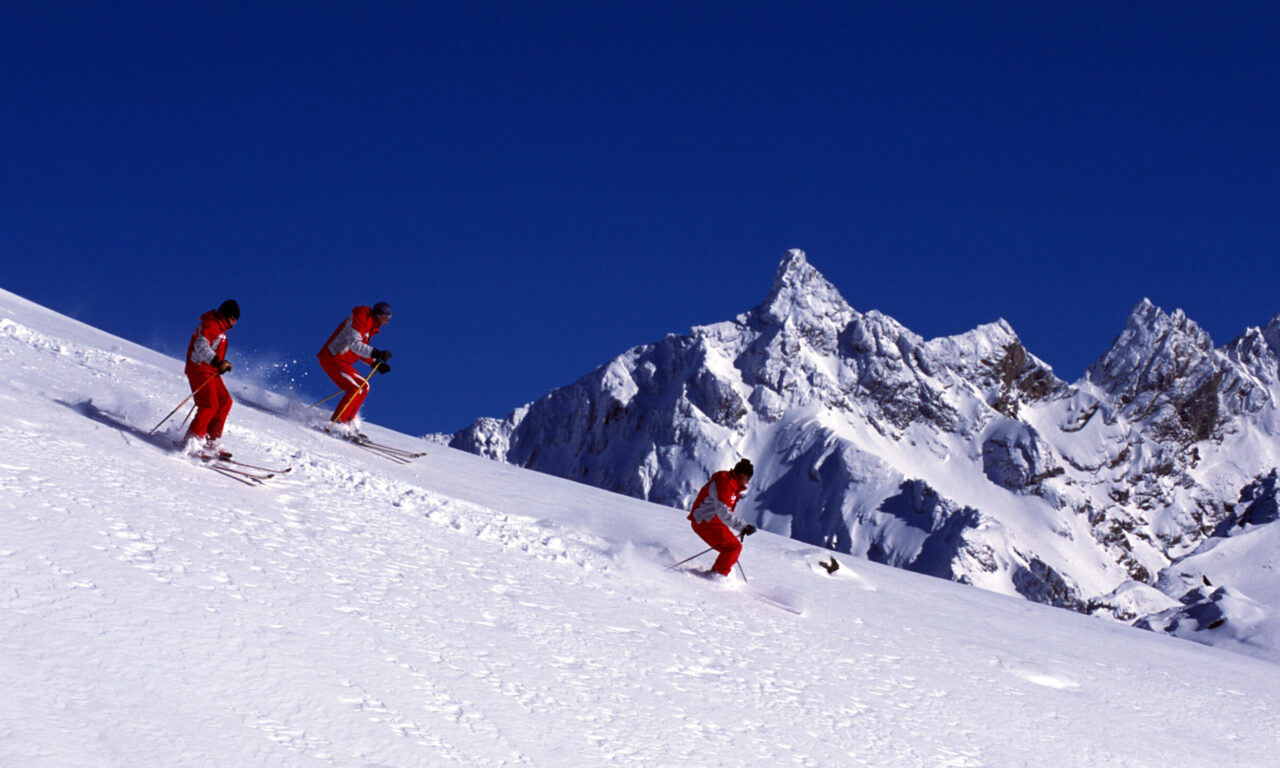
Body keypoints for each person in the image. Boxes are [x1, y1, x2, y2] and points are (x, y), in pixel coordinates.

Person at [317, 301, 393, 436]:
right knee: (355, 388)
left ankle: (348, 424)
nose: (387, 322)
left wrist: (376, 363)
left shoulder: (370, 327)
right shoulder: (360, 319)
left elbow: (360, 351)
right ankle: (338, 423)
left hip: (342, 361)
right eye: (386, 318)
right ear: (379, 315)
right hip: (332, 357)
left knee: (364, 386)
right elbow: (355, 345)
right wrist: (377, 353)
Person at [184, 299, 240, 458]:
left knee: (225, 402)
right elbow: (201, 346)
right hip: (199, 369)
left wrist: (221, 364)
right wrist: (216, 361)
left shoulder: (220, 328)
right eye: (234, 319)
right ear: (228, 316)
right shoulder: (211, 325)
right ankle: (192, 442)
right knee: (209, 405)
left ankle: (211, 442)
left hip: (210, 371)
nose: (235, 323)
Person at [688, 458, 758, 577]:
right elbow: (724, 512)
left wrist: (741, 527)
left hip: (711, 520)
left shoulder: (730, 483)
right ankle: (716, 578)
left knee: (734, 547)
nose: (748, 482)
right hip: (704, 521)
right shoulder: (725, 483)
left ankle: (718, 575)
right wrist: (743, 526)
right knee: (733, 547)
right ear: (742, 474)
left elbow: (723, 511)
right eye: (748, 478)